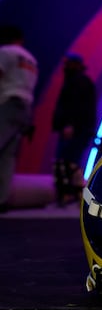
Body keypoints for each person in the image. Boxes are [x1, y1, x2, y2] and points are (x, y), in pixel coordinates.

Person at [0, 25, 38, 214]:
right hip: (25, 107)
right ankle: (2, 200)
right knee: (8, 156)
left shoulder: (5, 52)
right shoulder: (30, 59)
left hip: (7, 103)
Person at [52, 53, 96, 207]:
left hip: (77, 129)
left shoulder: (78, 82)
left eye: (69, 63)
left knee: (66, 164)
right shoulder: (79, 81)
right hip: (80, 128)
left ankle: (71, 196)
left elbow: (76, 106)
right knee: (70, 163)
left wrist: (70, 124)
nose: (65, 67)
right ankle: (78, 196)